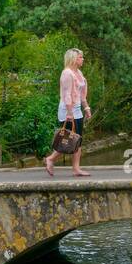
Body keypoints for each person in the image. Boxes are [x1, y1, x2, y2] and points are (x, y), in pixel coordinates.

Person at [44, 48, 92, 178]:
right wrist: (70, 114)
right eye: (81, 57)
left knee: (78, 140)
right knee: (68, 139)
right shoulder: (67, 73)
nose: (83, 59)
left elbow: (82, 95)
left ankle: (76, 169)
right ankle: (51, 159)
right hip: (68, 111)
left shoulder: (79, 73)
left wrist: (86, 108)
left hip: (77, 110)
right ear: (74, 59)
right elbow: (67, 96)